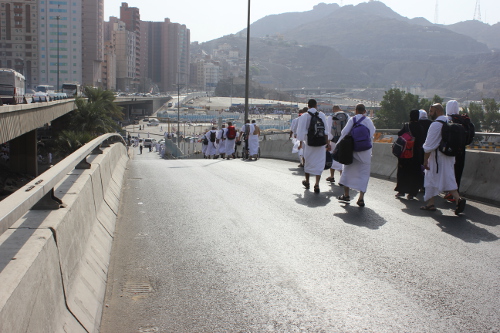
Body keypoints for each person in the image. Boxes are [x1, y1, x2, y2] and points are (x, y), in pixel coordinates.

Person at [420, 103, 466, 215]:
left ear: (438, 111)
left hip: (437, 158)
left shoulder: (435, 125)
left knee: (430, 178)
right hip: (449, 157)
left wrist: (425, 160)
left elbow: (429, 146)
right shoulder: (448, 121)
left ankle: (431, 203)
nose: (430, 114)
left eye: (431, 111)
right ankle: (457, 200)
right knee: (448, 178)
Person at [337, 104, 376, 206]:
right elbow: (372, 133)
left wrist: (337, 146)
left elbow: (344, 132)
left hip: (353, 150)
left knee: (347, 171)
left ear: (356, 110)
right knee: (364, 173)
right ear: (364, 111)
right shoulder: (368, 120)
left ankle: (346, 195)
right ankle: (361, 198)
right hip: (365, 151)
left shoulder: (353, 120)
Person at [296, 99, 330, 193]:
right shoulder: (322, 115)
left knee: (308, 162)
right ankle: (317, 184)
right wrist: (328, 143)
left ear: (308, 105)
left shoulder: (304, 116)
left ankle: (307, 181)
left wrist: (300, 143)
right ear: (316, 105)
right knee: (319, 163)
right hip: (321, 143)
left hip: (309, 143)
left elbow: (300, 132)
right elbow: (326, 131)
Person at [394, 109, 425, 200]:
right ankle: (412, 193)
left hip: (406, 153)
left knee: (403, 171)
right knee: (415, 173)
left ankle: (401, 190)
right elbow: (422, 139)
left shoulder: (407, 126)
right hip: (416, 154)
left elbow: (400, 135)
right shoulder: (420, 127)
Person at [444, 100, 468, 199]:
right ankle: (455, 192)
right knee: (458, 171)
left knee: (450, 172)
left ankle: (450, 193)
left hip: (450, 151)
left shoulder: (447, 120)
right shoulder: (464, 120)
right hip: (461, 150)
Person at [326, 106, 349, 183]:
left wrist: (328, 143)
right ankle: (342, 179)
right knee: (342, 158)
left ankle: (332, 176)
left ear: (333, 110)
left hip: (333, 141)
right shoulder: (347, 116)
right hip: (344, 141)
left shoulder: (331, 117)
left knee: (332, 157)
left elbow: (329, 130)